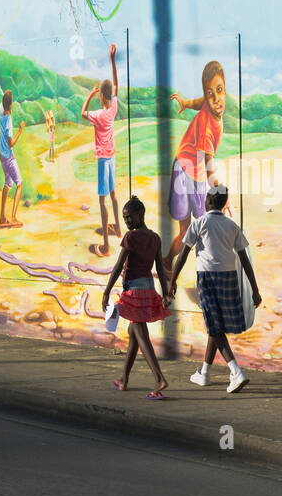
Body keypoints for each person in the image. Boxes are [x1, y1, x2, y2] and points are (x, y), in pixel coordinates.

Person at [169, 183, 261, 394]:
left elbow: (182, 255)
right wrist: (255, 289)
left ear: (208, 200)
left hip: (208, 279)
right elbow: (245, 260)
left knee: (214, 325)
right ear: (223, 203)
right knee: (215, 325)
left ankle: (236, 371)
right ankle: (204, 372)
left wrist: (172, 282)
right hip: (229, 279)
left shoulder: (199, 223)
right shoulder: (231, 226)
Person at [101, 196, 173, 398]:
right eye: (124, 218)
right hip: (148, 289)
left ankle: (159, 379)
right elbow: (160, 267)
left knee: (141, 336)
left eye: (129, 217)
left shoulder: (130, 238)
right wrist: (165, 293)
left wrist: (107, 291)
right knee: (134, 334)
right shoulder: (155, 238)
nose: (127, 221)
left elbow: (117, 266)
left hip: (134, 290)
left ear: (140, 215)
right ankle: (123, 379)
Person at [167, 60, 227, 265]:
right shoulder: (208, 130)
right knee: (188, 229)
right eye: (211, 94)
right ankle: (168, 262)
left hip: (197, 173)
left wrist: (186, 103)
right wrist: (221, 195)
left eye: (219, 90)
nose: (216, 98)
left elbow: (201, 101)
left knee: (202, 228)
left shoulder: (209, 104)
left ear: (225, 89)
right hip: (184, 170)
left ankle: (197, 272)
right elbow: (210, 170)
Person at [81, 44, 121, 255]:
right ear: (111, 96)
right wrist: (113, 60)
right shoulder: (113, 109)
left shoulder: (97, 115)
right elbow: (115, 83)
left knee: (102, 200)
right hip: (112, 157)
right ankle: (118, 227)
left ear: (100, 96)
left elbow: (82, 112)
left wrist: (89, 94)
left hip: (103, 160)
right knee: (113, 195)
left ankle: (105, 245)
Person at [0, 89, 26, 229]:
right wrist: (20, 130)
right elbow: (11, 144)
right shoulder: (8, 120)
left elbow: (2, 102)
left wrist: (6, 95)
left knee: (8, 183)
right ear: (10, 105)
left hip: (1, 153)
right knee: (19, 184)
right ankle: (13, 217)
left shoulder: (0, 112)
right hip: (8, 155)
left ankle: (2, 217)